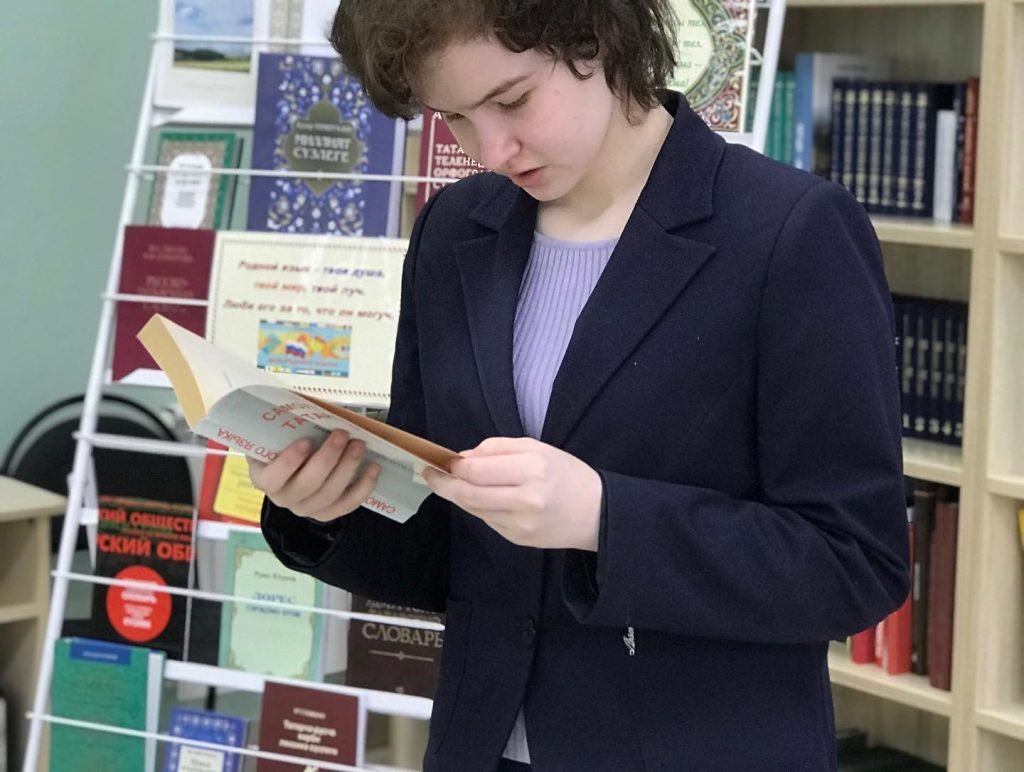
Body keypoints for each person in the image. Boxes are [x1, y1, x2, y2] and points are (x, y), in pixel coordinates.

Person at [251, 1, 910, 769]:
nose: (491, 150)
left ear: (597, 36)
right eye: (455, 118)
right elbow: (450, 547)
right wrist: (327, 508)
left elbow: (855, 564)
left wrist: (603, 517)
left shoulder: (789, 231)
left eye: (512, 101)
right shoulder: (455, 229)